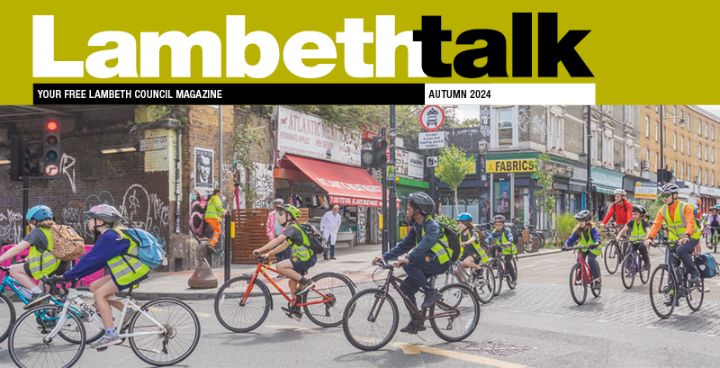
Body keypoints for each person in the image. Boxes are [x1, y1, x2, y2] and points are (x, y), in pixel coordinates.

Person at [62, 204, 151, 349]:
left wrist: (69, 276)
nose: (88, 222)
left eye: (91, 219)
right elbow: (95, 261)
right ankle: (127, 309)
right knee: (94, 286)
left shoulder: (111, 236)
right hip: (129, 269)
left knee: (99, 295)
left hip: (133, 270)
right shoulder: (112, 235)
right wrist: (74, 275)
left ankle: (110, 334)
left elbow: (91, 260)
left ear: (101, 221)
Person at [372, 192, 449, 334]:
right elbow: (404, 245)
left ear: (418, 210)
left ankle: (431, 292)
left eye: (409, 209)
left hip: (439, 261)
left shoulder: (432, 225)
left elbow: (427, 242)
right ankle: (417, 321)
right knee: (406, 288)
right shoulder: (416, 227)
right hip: (427, 261)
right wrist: (385, 257)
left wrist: (409, 257)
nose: (407, 211)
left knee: (409, 263)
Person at [252, 204, 317, 320]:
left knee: (280, 266)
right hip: (303, 258)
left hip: (305, 258)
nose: (278, 217)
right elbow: (283, 246)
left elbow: (278, 240)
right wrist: (268, 254)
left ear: (289, 216)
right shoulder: (293, 229)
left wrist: (260, 249)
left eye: (281, 215)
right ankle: (296, 310)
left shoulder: (292, 228)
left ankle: (306, 282)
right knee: (292, 283)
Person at [0, 205, 70, 307]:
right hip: (62, 266)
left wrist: (1, 258)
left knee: (13, 270)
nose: (29, 225)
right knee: (44, 291)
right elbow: (47, 249)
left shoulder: (37, 231)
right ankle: (49, 315)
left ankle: (38, 294)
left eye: (29, 222)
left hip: (49, 266)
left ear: (34, 220)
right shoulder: (55, 229)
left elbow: (18, 248)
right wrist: (27, 259)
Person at [644, 183, 702, 285]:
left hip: (691, 236)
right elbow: (656, 224)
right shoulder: (663, 210)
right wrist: (650, 238)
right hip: (674, 239)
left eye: (666, 195)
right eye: (662, 196)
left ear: (675, 195)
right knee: (671, 264)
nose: (664, 198)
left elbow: (690, 222)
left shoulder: (685, 207)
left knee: (681, 250)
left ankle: (695, 274)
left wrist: (687, 235)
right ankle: (674, 291)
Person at [562, 210, 602, 291]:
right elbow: (571, 238)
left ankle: (597, 280)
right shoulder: (579, 229)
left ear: (587, 221)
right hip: (584, 248)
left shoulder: (593, 229)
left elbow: (596, 236)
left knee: (590, 261)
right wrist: (566, 245)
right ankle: (580, 271)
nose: (580, 223)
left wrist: (597, 242)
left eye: (581, 221)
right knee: (579, 259)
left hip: (593, 248)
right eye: (579, 221)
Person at [615, 205, 651, 270]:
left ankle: (647, 263)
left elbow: (648, 231)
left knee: (641, 248)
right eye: (633, 214)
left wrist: (647, 239)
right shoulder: (631, 222)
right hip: (633, 241)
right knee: (628, 253)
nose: (633, 216)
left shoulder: (644, 223)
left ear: (641, 215)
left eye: (636, 214)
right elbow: (624, 229)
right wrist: (619, 236)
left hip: (642, 242)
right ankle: (632, 268)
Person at [456, 213, 489, 277]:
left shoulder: (473, 231)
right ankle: (464, 285)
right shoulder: (460, 234)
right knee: (456, 271)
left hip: (475, 254)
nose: (459, 225)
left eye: (460, 223)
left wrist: (466, 242)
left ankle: (479, 268)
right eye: (458, 223)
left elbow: (473, 238)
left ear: (467, 223)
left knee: (467, 262)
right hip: (465, 255)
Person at [486, 214, 517, 282]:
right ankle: (495, 262)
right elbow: (490, 237)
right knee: (493, 247)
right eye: (496, 225)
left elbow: (510, 236)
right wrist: (486, 243)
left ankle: (513, 277)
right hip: (500, 247)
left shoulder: (507, 231)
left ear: (503, 224)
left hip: (508, 249)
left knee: (508, 262)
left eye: (500, 225)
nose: (498, 227)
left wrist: (509, 241)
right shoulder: (494, 232)